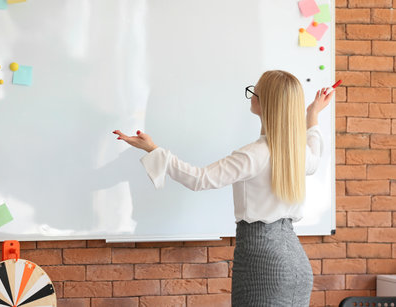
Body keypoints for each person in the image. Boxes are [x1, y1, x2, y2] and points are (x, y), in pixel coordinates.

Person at [113, 70, 334, 306]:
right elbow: (315, 149)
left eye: (254, 92)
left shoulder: (254, 155)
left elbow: (199, 179)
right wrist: (313, 115)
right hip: (297, 265)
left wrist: (154, 150)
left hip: (263, 262)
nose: (251, 97)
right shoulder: (298, 153)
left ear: (265, 102)